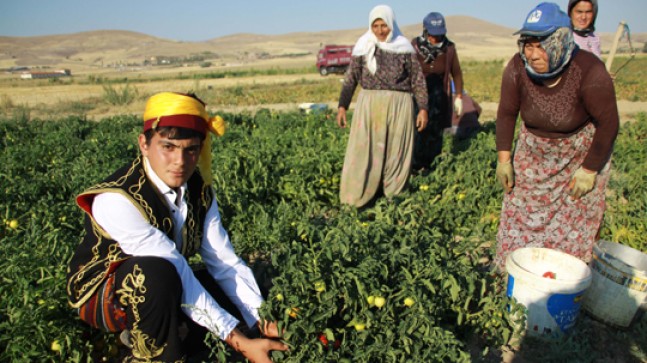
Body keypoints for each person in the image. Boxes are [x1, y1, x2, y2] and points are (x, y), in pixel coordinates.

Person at [66, 92, 288, 362]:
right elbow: (173, 264)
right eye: (168, 147)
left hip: (170, 278)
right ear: (144, 144)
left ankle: (182, 330)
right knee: (154, 275)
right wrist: (239, 341)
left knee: (220, 284)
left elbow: (224, 261)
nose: (180, 161)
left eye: (190, 149)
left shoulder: (199, 190)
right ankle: (155, 354)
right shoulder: (117, 199)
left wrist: (261, 320)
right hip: (106, 293)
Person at [494, 2, 619, 269]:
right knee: (519, 217)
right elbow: (506, 113)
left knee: (575, 219)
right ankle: (515, 276)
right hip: (533, 155)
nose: (533, 53)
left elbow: (608, 124)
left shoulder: (589, 71)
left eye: (542, 45)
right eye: (528, 44)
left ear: (561, 41)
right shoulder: (517, 68)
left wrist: (589, 169)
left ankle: (563, 279)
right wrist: (504, 160)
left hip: (579, 156)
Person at [336, 4, 428, 207]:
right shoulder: (363, 46)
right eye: (375, 25)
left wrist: (423, 108)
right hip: (369, 106)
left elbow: (417, 80)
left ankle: (393, 199)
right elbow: (350, 78)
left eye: (383, 25)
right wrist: (343, 105)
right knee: (364, 151)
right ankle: (356, 199)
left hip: (400, 105)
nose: (380, 30)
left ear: (391, 24)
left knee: (397, 152)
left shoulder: (404, 47)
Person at [411, 12, 465, 170]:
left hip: (439, 96)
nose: (437, 39)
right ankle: (414, 167)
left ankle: (431, 169)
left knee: (435, 132)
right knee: (417, 131)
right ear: (425, 31)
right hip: (417, 95)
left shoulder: (449, 48)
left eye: (440, 35)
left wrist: (459, 96)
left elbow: (457, 73)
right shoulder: (414, 46)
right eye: (434, 35)